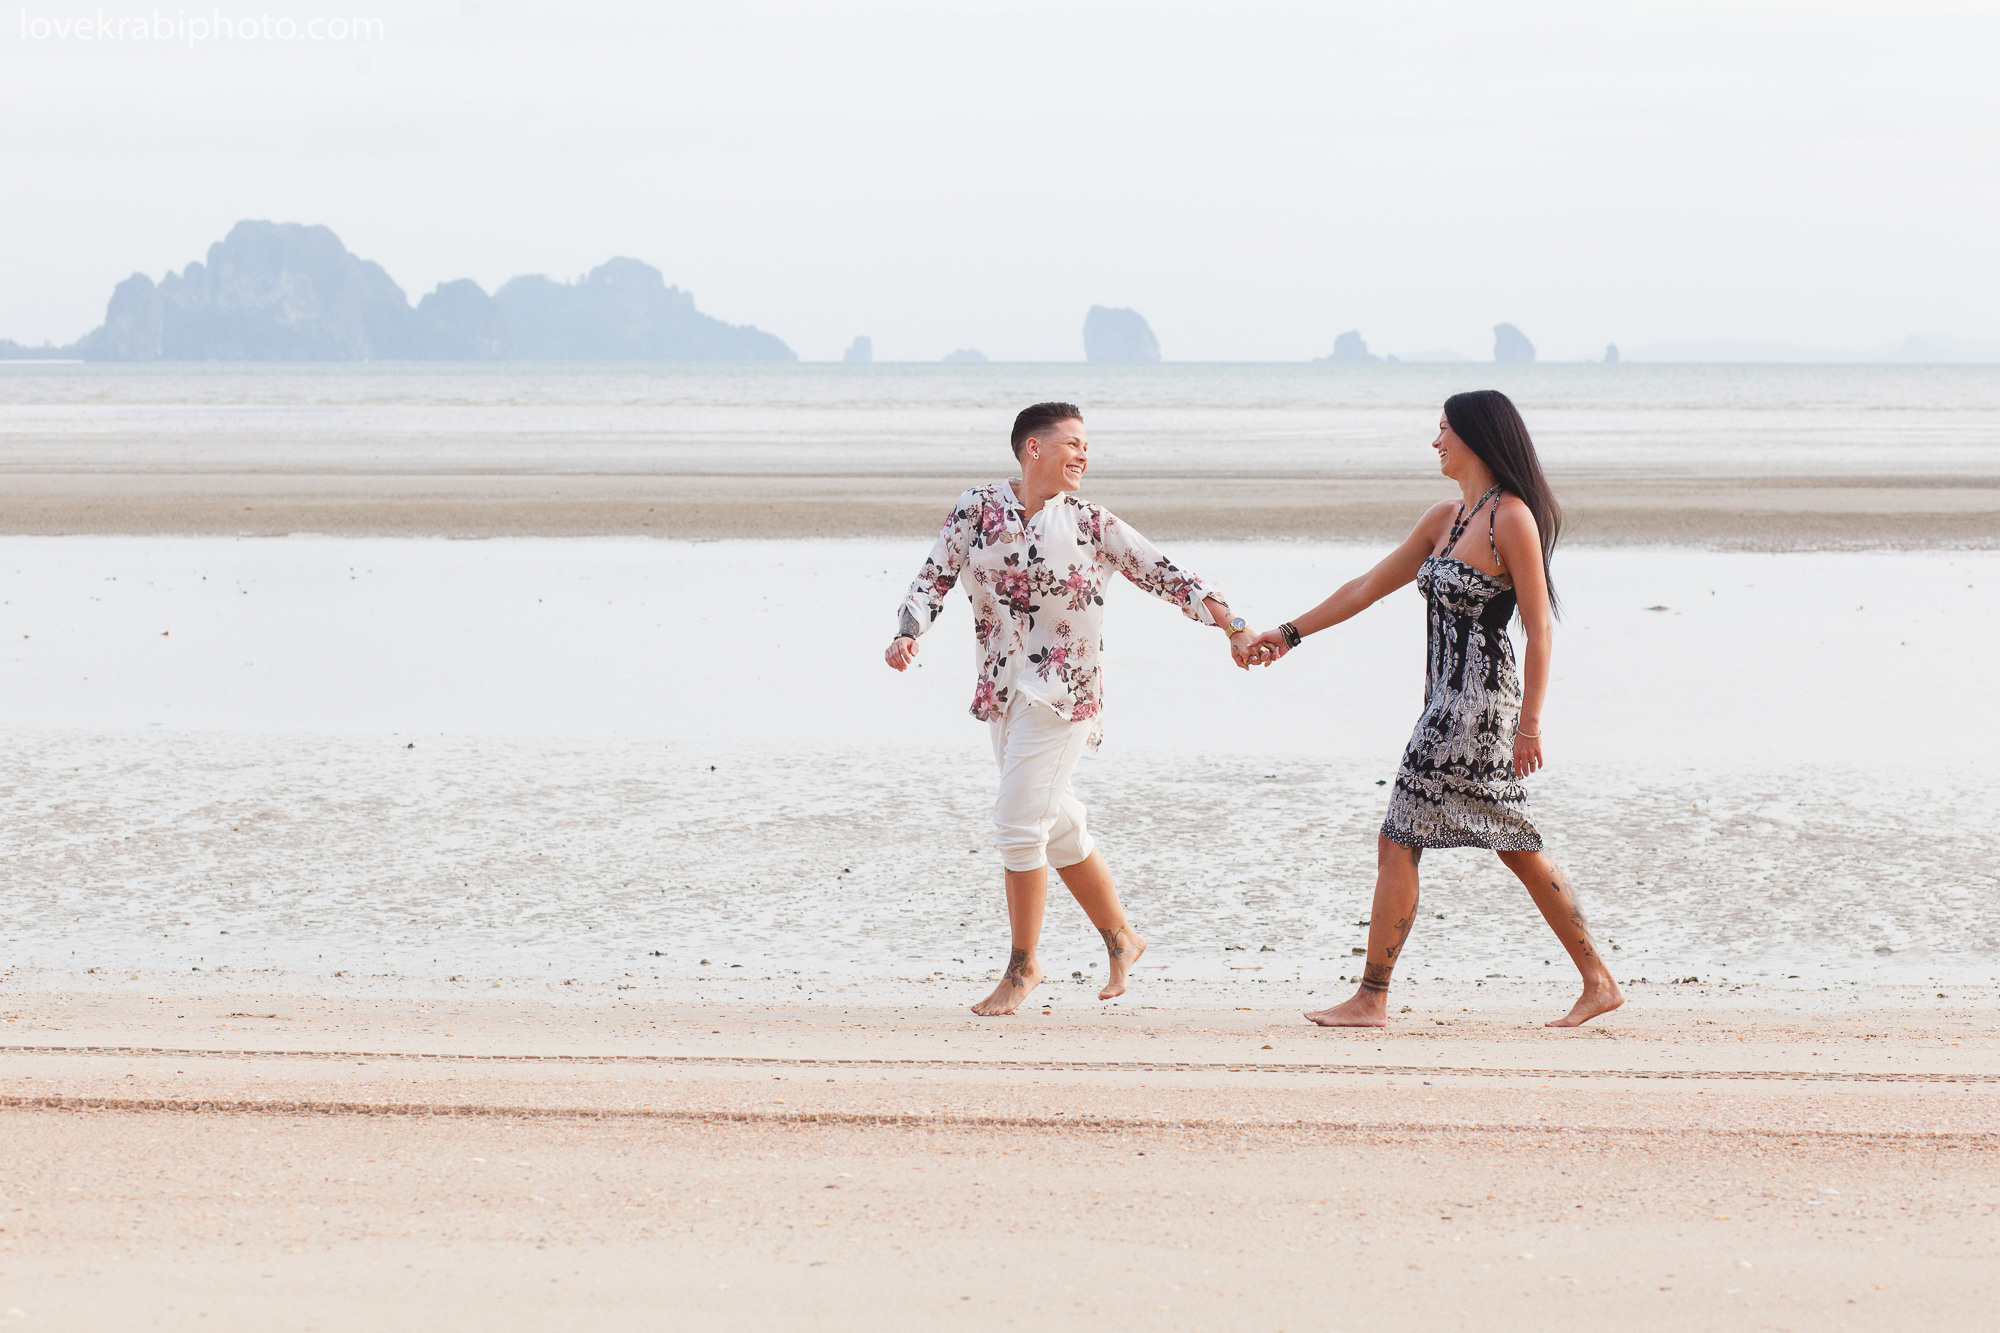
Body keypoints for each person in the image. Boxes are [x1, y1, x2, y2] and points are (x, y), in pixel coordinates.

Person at [1244, 390, 1623, 1029]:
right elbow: (1366, 588)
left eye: (1444, 429)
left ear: (1476, 436)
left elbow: (1539, 630)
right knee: (1508, 843)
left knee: (1403, 838)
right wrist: (1288, 633)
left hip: (1479, 709)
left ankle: (1373, 997)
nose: (1435, 440)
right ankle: (1598, 980)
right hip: (1443, 702)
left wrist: (1530, 726)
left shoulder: (1511, 518)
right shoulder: (1445, 518)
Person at [887, 401, 1259, 1016]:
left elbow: (1168, 575)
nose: (1084, 454)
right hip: (1002, 690)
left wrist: (1235, 628)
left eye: (1087, 445)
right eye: (1074, 443)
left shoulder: (1090, 522)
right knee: (1055, 822)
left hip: (1064, 696)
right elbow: (933, 578)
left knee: (1017, 824)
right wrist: (908, 632)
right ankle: (1123, 939)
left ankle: (1023, 965)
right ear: (1034, 449)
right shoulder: (976, 509)